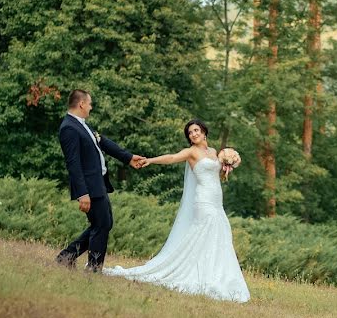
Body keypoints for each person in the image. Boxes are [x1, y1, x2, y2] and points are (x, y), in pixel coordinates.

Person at [103, 119, 251, 303]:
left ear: (204, 131)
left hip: (216, 200)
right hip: (203, 200)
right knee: (205, 232)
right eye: (190, 132)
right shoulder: (191, 152)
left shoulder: (213, 152)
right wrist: (150, 160)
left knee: (217, 236)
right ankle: (195, 273)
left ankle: (215, 274)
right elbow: (172, 158)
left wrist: (228, 166)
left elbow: (217, 175)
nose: (194, 134)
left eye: (196, 130)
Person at [56, 89, 144, 272]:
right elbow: (73, 163)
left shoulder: (82, 125)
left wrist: (128, 157)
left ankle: (67, 257)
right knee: (102, 223)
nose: (91, 107)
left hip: (98, 183)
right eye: (89, 103)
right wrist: (82, 193)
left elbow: (102, 141)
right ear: (81, 104)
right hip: (88, 186)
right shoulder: (68, 128)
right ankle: (93, 267)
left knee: (104, 223)